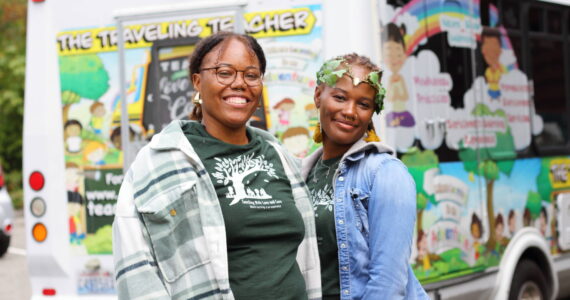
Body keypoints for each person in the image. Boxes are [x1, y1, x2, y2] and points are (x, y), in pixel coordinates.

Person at [113, 31, 321, 300]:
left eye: (251, 75)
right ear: (197, 82)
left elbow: (306, 258)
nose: (239, 83)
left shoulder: (280, 156)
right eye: (224, 72)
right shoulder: (159, 161)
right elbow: (135, 267)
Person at [302, 53, 428, 299]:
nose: (350, 111)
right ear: (318, 96)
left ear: (373, 112)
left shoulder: (386, 173)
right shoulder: (303, 173)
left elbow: (388, 282)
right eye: (339, 97)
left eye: (363, 104)